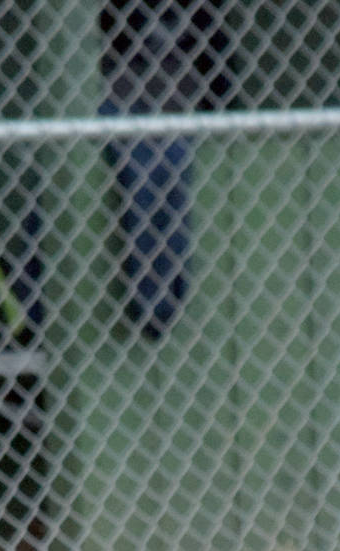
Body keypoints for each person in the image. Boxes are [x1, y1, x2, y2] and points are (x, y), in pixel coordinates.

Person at [99, 0, 239, 339]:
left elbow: (222, 81)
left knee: (170, 159)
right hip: (121, 100)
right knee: (144, 162)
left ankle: (160, 301)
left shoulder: (203, 12)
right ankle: (153, 300)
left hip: (182, 101)